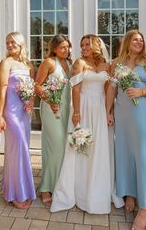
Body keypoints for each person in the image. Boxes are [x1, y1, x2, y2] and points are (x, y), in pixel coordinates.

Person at [51, 34, 124, 214]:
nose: (83, 47)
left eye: (87, 45)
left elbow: (109, 90)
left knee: (99, 148)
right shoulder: (79, 63)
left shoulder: (107, 66)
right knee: (81, 149)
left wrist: (109, 112)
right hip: (83, 107)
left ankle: (98, 191)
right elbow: (75, 89)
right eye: (82, 44)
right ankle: (79, 191)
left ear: (96, 46)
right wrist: (76, 112)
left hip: (100, 108)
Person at [106, 30, 146, 229]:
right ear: (127, 42)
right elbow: (112, 88)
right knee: (126, 154)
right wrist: (108, 111)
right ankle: (130, 192)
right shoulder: (117, 63)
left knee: (143, 155)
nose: (139, 41)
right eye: (135, 39)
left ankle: (145, 205)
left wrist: (141, 91)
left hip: (143, 114)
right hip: (122, 115)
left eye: (141, 39)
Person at [0, 32, 36, 209]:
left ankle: (23, 189)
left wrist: (31, 102)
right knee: (16, 150)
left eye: (13, 42)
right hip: (10, 112)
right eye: (7, 42)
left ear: (21, 44)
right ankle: (14, 193)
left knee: (23, 149)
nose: (9, 45)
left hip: (24, 113)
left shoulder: (29, 65)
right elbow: (2, 91)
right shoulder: (5, 63)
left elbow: (31, 89)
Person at [35, 34, 72, 206]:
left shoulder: (71, 64)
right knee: (54, 147)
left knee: (64, 148)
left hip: (67, 110)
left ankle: (59, 184)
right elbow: (37, 85)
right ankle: (45, 188)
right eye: (62, 47)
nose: (66, 50)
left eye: (67, 47)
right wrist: (50, 100)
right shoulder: (49, 62)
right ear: (55, 48)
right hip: (52, 109)